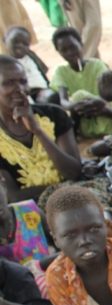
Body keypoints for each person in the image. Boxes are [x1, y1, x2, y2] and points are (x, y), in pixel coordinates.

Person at [0, 56, 82, 202]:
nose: (19, 89)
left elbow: (73, 172)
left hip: (73, 200)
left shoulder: (54, 115)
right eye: (8, 83)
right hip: (28, 214)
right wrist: (62, 188)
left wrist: (38, 131)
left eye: (23, 81)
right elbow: (12, 197)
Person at [50, 27, 112, 139]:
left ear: (81, 44)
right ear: (59, 52)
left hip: (105, 110)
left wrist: (95, 102)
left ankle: (110, 129)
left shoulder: (97, 65)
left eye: (73, 47)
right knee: (79, 96)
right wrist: (76, 105)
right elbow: (63, 101)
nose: (70, 53)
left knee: (82, 95)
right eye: (64, 50)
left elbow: (108, 94)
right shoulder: (61, 72)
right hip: (85, 116)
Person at [4, 27, 57, 105]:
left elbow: (43, 71)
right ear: (5, 41)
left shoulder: (31, 55)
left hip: (41, 90)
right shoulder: (6, 63)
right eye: (15, 42)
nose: (20, 46)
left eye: (25, 44)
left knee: (52, 98)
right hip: (21, 93)